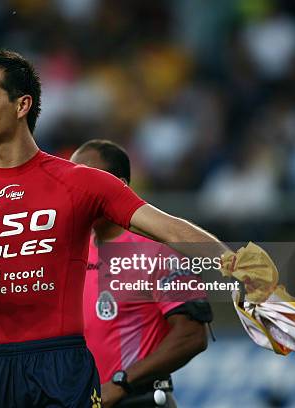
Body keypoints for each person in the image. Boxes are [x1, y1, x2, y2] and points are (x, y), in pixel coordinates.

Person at [0, 48, 231, 408]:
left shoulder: (82, 183)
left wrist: (246, 271)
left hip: (62, 362)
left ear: (22, 105)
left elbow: (170, 230)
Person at [71, 140, 213, 408]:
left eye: (87, 178)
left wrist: (121, 383)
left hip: (138, 400)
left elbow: (192, 336)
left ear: (120, 185)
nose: (76, 190)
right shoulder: (71, 253)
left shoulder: (159, 252)